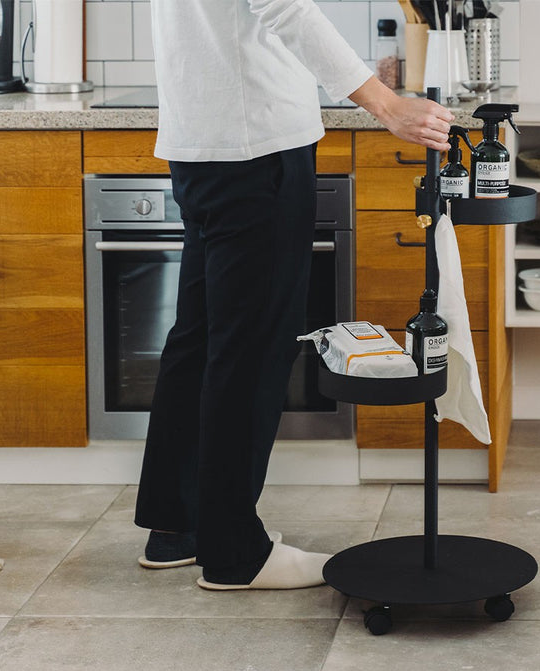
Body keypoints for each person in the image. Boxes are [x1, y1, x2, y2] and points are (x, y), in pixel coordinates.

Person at [134, 0, 454, 591]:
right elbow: (285, 7)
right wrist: (388, 106)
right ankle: (235, 553)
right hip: (256, 148)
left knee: (201, 338)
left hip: (202, 144)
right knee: (249, 349)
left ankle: (177, 524)